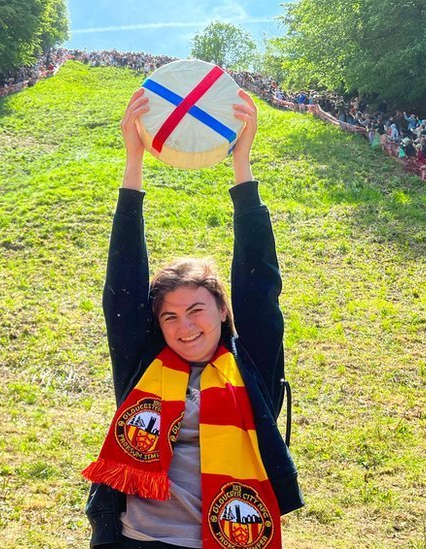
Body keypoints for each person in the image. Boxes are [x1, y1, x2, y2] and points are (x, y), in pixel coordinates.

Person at [83, 88, 303, 549]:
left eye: (197, 310)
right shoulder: (145, 364)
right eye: (170, 316)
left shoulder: (250, 366)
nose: (185, 327)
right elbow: (121, 289)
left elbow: (260, 286)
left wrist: (242, 164)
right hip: (137, 539)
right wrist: (133, 161)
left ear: (223, 311)